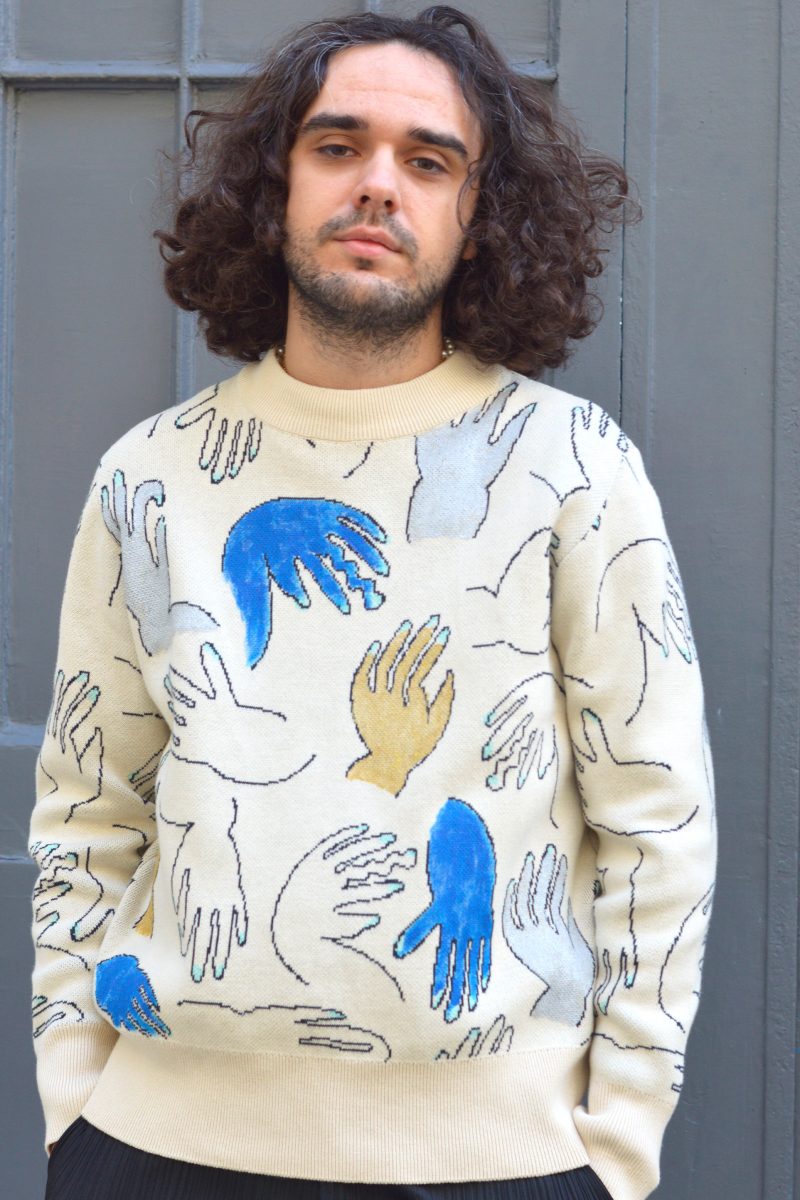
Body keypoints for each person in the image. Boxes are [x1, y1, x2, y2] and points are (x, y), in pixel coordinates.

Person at [29, 7, 716, 1200]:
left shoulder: (573, 467)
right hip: (154, 1146)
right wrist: (71, 1091)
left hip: (499, 1161)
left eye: (428, 160)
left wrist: (618, 1140)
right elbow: (88, 805)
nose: (378, 186)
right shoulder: (151, 475)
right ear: (273, 186)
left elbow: (655, 819)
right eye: (337, 146)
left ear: (478, 213)